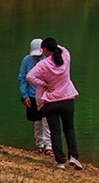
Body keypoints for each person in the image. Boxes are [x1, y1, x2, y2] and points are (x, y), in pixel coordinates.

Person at [26, 37, 82, 170]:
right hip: (67, 98)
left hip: (51, 101)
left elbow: (29, 77)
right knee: (69, 128)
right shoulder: (66, 57)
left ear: (45, 49)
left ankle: (60, 161)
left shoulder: (43, 64)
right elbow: (62, 48)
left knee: (55, 131)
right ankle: (73, 156)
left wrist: (44, 84)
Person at [18, 38, 51, 156]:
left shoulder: (47, 59)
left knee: (47, 121)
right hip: (32, 96)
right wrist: (25, 95)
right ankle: (39, 145)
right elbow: (22, 78)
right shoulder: (26, 60)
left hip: (45, 95)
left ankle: (49, 145)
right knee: (37, 123)